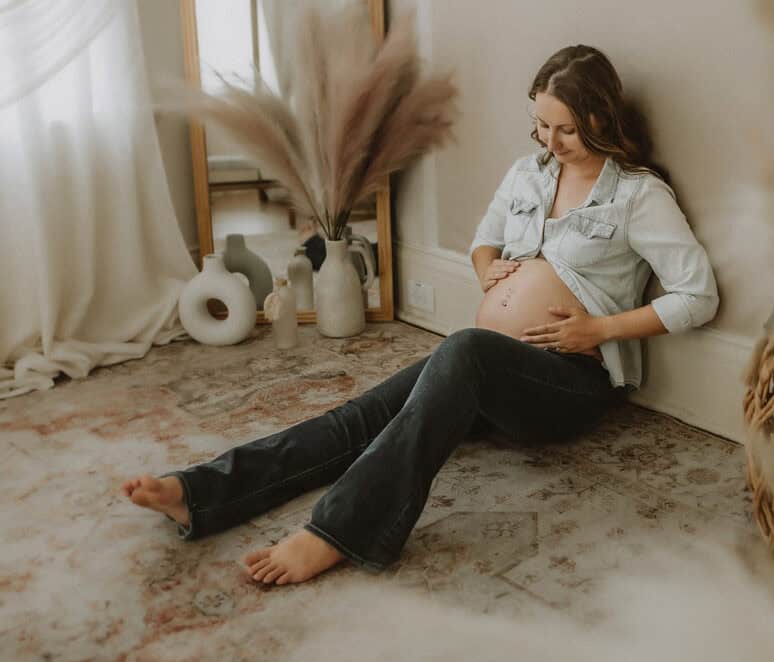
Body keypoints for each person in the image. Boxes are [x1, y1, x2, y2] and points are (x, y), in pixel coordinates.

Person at [121, 45, 719, 586]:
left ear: (601, 118)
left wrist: (600, 329)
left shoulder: (639, 195)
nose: (549, 142)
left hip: (567, 382)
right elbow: (484, 241)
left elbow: (697, 296)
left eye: (566, 129)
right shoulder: (527, 172)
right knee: (366, 415)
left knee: (458, 349)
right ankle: (202, 492)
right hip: (489, 369)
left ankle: (339, 531)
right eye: (540, 124)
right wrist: (489, 271)